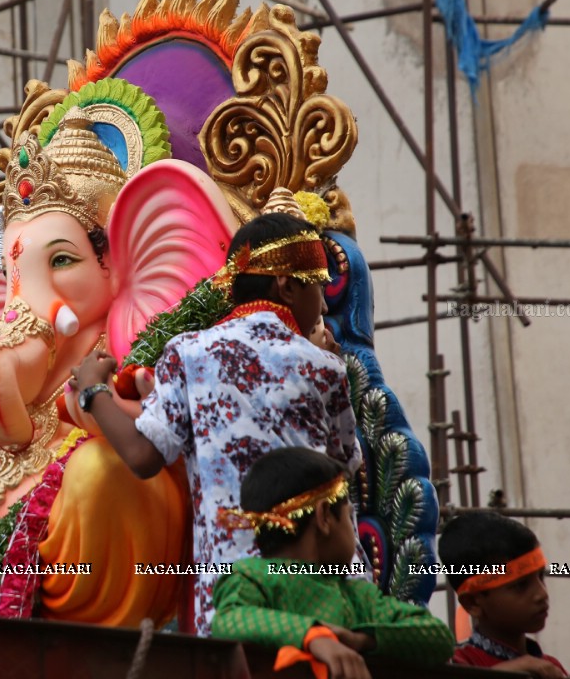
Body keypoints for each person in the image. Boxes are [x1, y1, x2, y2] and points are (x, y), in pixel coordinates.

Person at [71, 212, 362, 634]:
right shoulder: (325, 366)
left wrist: (93, 392)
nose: (321, 303)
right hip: (324, 590)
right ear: (288, 285)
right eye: (317, 286)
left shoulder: (189, 352)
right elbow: (346, 466)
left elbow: (143, 456)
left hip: (237, 598)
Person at [211, 448, 454, 678]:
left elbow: (438, 637)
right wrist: (312, 635)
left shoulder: (358, 595)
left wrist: (362, 639)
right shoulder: (249, 576)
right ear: (325, 516)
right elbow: (229, 620)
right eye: (349, 517)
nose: (353, 529)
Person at [439, 512, 570, 679]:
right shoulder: (457, 666)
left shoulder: (549, 667)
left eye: (541, 577)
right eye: (520, 585)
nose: (541, 594)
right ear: (474, 602)